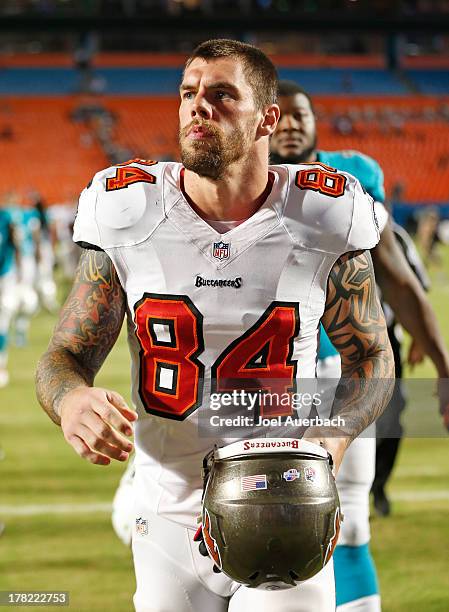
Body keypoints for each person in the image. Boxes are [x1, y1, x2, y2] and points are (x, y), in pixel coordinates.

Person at [36, 39, 394, 612]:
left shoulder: (322, 214)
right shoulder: (129, 210)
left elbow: (371, 356)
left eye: (222, 94)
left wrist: (330, 440)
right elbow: (64, 356)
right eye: (188, 93)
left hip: (287, 498)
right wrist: (72, 400)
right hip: (167, 508)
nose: (197, 106)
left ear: (267, 119)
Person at [270, 79, 449, 612]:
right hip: (265, 376)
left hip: (346, 366)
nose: (290, 125)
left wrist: (441, 363)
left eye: (300, 114)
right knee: (261, 521)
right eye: (279, 116)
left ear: (316, 123)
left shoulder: (352, 181)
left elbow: (397, 275)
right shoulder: (237, 183)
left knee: (347, 518)